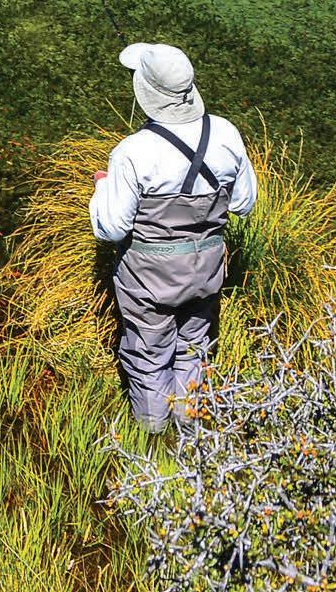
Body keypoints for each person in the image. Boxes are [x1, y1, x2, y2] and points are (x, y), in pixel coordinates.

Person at [89, 41, 257, 433]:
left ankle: (153, 435)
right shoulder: (226, 133)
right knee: (194, 348)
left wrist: (101, 188)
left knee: (148, 354)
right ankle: (188, 429)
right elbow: (244, 203)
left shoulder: (132, 152)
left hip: (148, 280)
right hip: (207, 271)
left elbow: (111, 229)